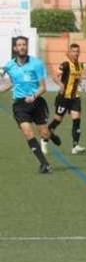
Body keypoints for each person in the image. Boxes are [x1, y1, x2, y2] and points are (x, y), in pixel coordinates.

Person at [1, 35, 60, 172]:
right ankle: (44, 164)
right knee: (27, 132)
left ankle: (50, 134)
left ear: (26, 47)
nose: (22, 47)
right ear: (15, 48)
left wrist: (33, 96)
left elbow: (43, 87)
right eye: (19, 45)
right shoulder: (9, 65)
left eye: (24, 44)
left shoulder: (36, 63)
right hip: (20, 104)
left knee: (44, 133)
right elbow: (12, 82)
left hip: (36, 101)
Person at [48, 42, 86, 155]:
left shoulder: (80, 65)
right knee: (57, 120)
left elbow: (77, 78)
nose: (75, 53)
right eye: (73, 51)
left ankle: (75, 146)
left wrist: (81, 84)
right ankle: (45, 137)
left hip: (75, 98)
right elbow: (55, 76)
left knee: (77, 120)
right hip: (63, 98)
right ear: (69, 53)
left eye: (77, 51)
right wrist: (60, 85)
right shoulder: (65, 64)